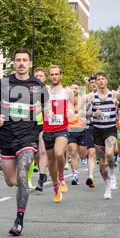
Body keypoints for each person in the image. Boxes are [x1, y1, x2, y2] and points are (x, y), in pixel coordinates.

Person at [0, 48, 49, 237]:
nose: (21, 63)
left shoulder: (38, 85)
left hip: (27, 137)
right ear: (14, 62)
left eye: (25, 60)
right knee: (11, 181)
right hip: (6, 136)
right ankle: (21, 188)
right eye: (18, 60)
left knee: (23, 174)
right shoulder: (3, 83)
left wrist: (49, 114)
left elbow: (47, 107)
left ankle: (19, 220)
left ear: (30, 63)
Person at [86, 72, 120, 200]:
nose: (101, 81)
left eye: (103, 79)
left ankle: (113, 173)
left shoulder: (114, 95)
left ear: (107, 81)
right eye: (99, 79)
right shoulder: (91, 97)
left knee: (110, 153)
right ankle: (107, 186)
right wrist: (92, 114)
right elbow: (82, 113)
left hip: (110, 130)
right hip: (97, 131)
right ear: (96, 82)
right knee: (102, 164)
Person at [43, 65, 74, 203]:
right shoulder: (45, 91)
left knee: (59, 153)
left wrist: (71, 111)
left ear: (61, 75)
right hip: (48, 129)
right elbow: (38, 107)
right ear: (49, 76)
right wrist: (43, 110)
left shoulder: (67, 91)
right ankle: (56, 186)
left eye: (56, 74)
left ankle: (61, 176)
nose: (54, 77)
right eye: (52, 74)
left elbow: (74, 106)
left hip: (62, 129)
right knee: (50, 161)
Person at [67, 82, 88, 186]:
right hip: (70, 129)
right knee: (73, 152)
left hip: (82, 129)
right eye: (72, 88)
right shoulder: (66, 101)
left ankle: (83, 157)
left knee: (83, 153)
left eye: (76, 88)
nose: (74, 90)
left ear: (79, 90)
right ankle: (75, 175)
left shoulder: (83, 100)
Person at [33, 68, 49, 192]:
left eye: (41, 76)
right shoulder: (28, 90)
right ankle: (40, 167)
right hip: (30, 124)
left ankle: (41, 179)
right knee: (36, 153)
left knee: (43, 151)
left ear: (45, 78)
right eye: (36, 75)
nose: (38, 77)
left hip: (45, 124)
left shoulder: (48, 90)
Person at [82, 75, 98, 188]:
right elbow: (81, 112)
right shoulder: (86, 97)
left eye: (95, 82)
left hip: (103, 128)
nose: (93, 84)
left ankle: (110, 175)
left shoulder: (106, 96)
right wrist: (89, 105)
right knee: (91, 153)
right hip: (89, 126)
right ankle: (90, 177)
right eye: (91, 82)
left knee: (105, 155)